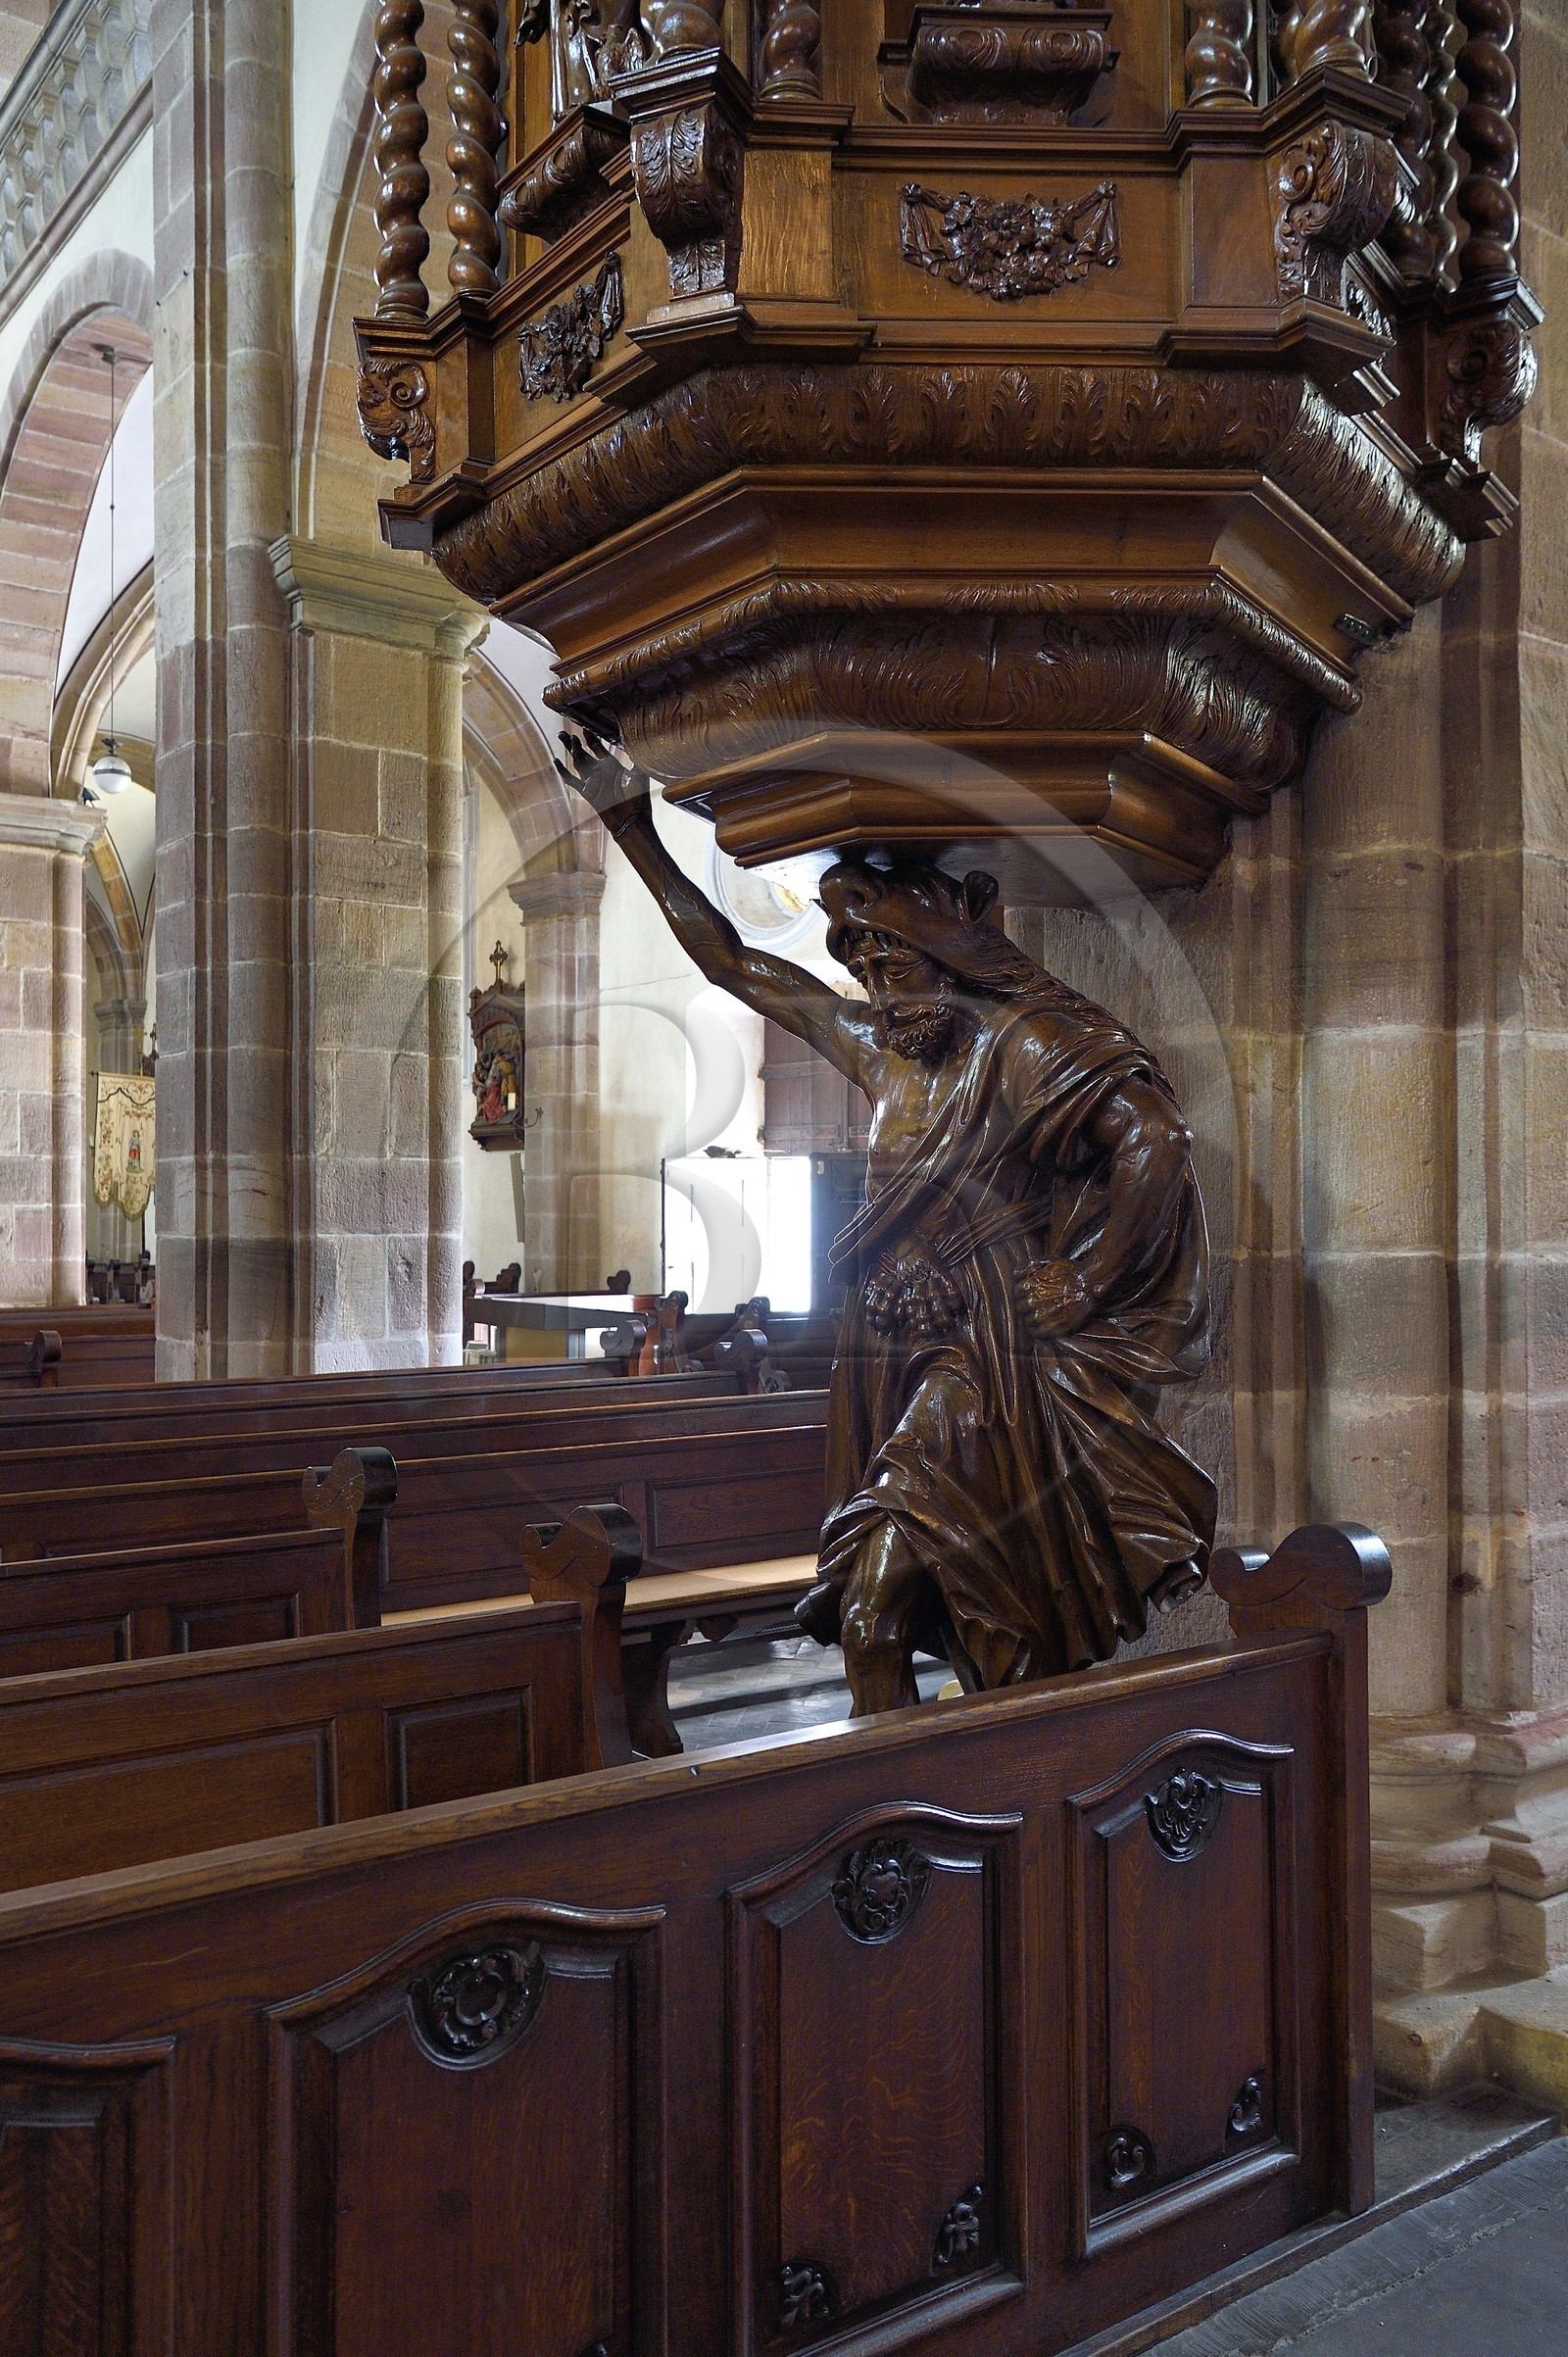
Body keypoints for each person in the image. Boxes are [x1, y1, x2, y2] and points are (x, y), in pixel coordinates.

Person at [562, 732, 1216, 1715]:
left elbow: (1156, 1139)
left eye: (894, 961)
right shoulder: (875, 1048)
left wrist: (1087, 1276)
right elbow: (733, 961)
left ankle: (918, 1822)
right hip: (885, 1350)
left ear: (949, 956)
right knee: (961, 1614)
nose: (876, 982)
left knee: (876, 1615)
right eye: (863, 966)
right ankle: (974, 1803)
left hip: (982, 1358)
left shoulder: (1025, 1043)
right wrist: (629, 825)